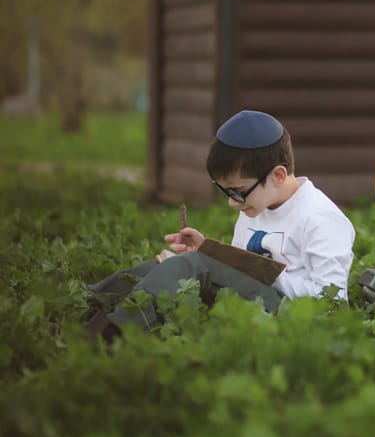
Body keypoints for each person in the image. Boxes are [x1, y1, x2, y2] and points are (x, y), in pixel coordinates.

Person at [86, 110, 355, 340]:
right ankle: (84, 307)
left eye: (237, 192)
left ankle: (108, 335)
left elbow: (332, 304)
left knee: (191, 267)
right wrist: (209, 252)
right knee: (164, 267)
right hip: (251, 299)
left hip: (289, 315)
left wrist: (266, 273)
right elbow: (232, 276)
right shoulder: (257, 202)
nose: (232, 203)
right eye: (225, 192)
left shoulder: (321, 219)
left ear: (278, 176)